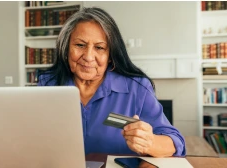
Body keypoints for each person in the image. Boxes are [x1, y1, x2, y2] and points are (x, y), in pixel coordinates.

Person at [38, 7, 185, 157]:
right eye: (80, 45)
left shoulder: (137, 87)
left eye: (99, 47)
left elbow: (175, 142)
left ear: (110, 55)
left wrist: (150, 142)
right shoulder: (48, 83)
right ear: (66, 48)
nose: (88, 56)